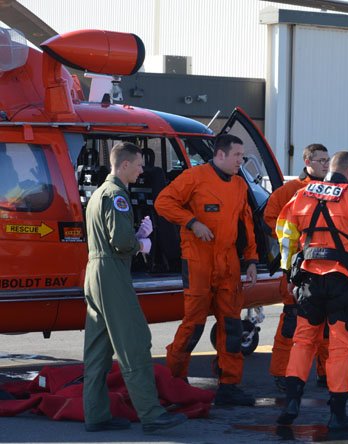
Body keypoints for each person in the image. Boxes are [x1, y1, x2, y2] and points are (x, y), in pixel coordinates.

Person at [275, 151, 348, 430]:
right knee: (341, 347)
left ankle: (291, 402)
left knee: (303, 342)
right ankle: (337, 414)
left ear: (329, 171)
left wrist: (288, 271)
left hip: (308, 281)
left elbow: (285, 234)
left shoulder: (301, 196)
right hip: (342, 281)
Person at [83, 142, 187, 433]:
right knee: (135, 342)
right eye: (140, 164)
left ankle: (96, 414)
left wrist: (135, 233)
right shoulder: (117, 195)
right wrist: (141, 242)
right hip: (112, 273)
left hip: (95, 271)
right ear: (125, 164)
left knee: (98, 349)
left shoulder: (98, 195)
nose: (143, 170)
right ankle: (152, 414)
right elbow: (121, 242)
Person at [155, 134, 259, 406]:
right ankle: (174, 380)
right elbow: (163, 202)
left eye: (242, 155)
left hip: (228, 263)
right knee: (194, 325)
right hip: (199, 261)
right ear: (220, 155)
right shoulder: (194, 178)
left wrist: (250, 261)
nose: (241, 160)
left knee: (232, 327)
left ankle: (229, 385)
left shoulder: (239, 185)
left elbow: (246, 224)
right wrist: (191, 223)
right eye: (237, 155)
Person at [264, 144, 331, 392]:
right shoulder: (290, 191)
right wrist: (295, 239)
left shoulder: (333, 190)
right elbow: (270, 218)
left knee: (325, 324)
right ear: (307, 161)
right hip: (296, 266)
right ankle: (281, 373)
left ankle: (325, 372)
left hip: (324, 267)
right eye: (321, 160)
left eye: (327, 160)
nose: (325, 164)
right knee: (291, 322)